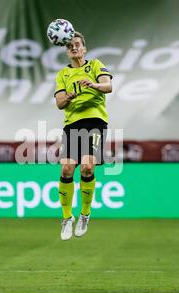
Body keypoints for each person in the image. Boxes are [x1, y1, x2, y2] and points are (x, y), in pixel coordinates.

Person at [54, 31, 113, 240]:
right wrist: (68, 97)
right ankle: (66, 217)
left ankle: (85, 214)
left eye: (77, 44)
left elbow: (108, 86)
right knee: (67, 168)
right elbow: (59, 103)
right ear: (67, 51)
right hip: (72, 123)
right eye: (70, 46)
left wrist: (94, 85)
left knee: (88, 167)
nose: (74, 48)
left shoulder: (95, 65)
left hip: (95, 120)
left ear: (84, 48)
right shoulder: (63, 74)